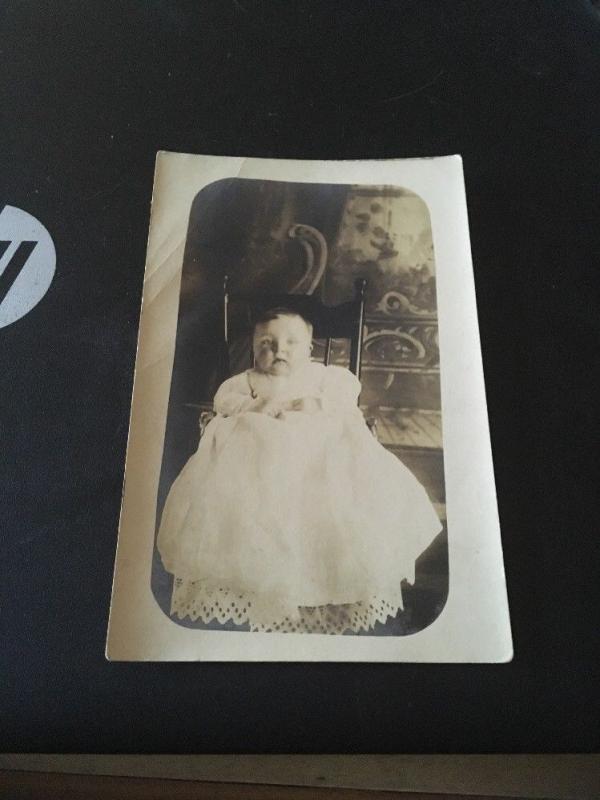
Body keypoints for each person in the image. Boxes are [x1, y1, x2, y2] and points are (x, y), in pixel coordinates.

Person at [157, 308, 442, 634]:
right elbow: (223, 401)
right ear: (253, 348)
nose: (279, 351)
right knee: (241, 459)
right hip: (258, 457)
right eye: (266, 343)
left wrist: (317, 404)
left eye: (291, 342)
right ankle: (261, 583)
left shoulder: (322, 376)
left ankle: (320, 581)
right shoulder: (248, 380)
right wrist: (253, 407)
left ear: (309, 349)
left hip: (315, 458)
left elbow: (347, 393)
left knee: (337, 473)